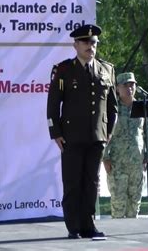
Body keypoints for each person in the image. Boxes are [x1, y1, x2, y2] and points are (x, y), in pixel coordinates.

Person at [47, 24, 118, 240]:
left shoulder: (106, 69)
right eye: (86, 42)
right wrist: (55, 132)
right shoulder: (64, 70)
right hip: (71, 136)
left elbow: (113, 106)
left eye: (94, 42)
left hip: (97, 137)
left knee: (91, 183)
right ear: (75, 45)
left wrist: (109, 132)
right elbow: (53, 104)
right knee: (72, 182)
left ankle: (88, 224)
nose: (91, 46)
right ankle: (73, 226)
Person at [103, 72, 148, 218]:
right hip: (117, 162)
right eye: (125, 85)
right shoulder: (112, 108)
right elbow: (104, 132)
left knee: (134, 205)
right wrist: (104, 157)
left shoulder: (142, 107)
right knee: (118, 203)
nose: (129, 88)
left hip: (136, 162)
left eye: (132, 84)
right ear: (117, 88)